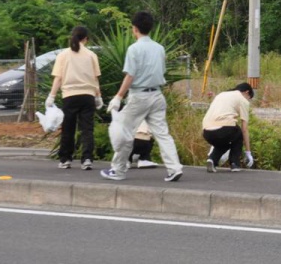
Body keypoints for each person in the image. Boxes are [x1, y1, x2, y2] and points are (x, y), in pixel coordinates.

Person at [101, 11, 184, 182]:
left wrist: (118, 97)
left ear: (135, 28)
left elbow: (130, 76)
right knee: (163, 134)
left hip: (139, 96)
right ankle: (175, 168)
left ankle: (118, 170)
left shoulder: (134, 49)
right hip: (157, 95)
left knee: (125, 133)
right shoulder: (159, 48)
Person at [46, 26, 104, 170]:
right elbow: (95, 79)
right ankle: (87, 159)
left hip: (69, 96)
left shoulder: (63, 55)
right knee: (87, 129)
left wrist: (51, 96)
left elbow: (58, 78)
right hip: (88, 95)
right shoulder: (91, 55)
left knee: (68, 129)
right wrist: (98, 96)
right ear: (86, 39)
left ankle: (65, 159)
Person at [203, 82, 255, 173]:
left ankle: (212, 160)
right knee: (238, 133)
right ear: (247, 92)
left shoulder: (221, 94)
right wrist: (248, 152)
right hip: (224, 129)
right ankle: (235, 164)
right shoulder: (242, 99)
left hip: (206, 131)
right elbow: (244, 129)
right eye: (249, 98)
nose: (248, 100)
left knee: (224, 143)